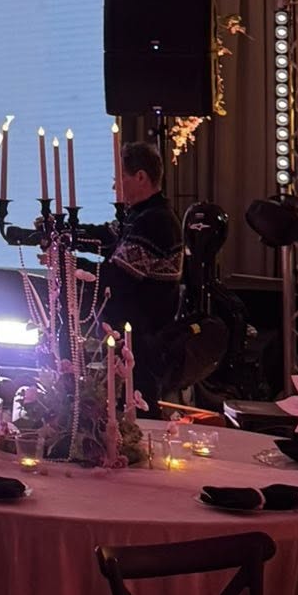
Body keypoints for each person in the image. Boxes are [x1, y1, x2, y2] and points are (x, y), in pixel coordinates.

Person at [98, 140, 184, 411]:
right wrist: (65, 234)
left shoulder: (155, 221)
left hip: (142, 344)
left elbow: (118, 276)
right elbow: (106, 235)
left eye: (120, 177)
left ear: (141, 177)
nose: (115, 186)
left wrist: (71, 266)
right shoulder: (141, 216)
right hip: (133, 340)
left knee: (137, 415)